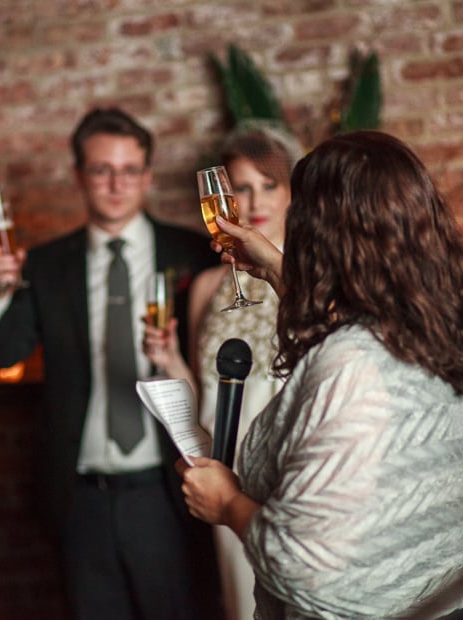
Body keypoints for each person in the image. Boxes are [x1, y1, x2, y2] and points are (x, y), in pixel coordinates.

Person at [176, 131, 463, 619]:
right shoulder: (432, 323)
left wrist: (227, 503)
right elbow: (356, 327)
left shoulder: (349, 366)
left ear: (323, 233)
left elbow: (301, 565)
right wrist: (277, 269)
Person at [0, 107, 221, 620]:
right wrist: (0, 292)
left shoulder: (195, 253)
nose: (116, 183)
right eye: (102, 169)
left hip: (168, 488)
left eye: (129, 169)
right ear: (79, 176)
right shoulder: (45, 264)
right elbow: (0, 355)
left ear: (147, 176)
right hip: (79, 496)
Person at [142, 121, 302, 620]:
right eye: (240, 188)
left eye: (268, 185)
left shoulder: (311, 271)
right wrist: (168, 359)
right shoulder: (209, 286)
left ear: (291, 190)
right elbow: (201, 391)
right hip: (228, 470)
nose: (255, 200)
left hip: (293, 462)